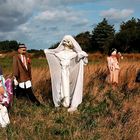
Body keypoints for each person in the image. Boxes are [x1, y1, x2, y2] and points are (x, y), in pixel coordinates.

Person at [44, 35, 88, 112]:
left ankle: (68, 102)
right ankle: (63, 102)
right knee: (62, 86)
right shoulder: (61, 53)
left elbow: (78, 58)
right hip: (62, 73)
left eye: (67, 41)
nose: (66, 44)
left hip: (69, 73)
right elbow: (53, 53)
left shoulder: (73, 53)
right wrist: (48, 51)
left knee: (69, 85)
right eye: (65, 41)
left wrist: (81, 55)